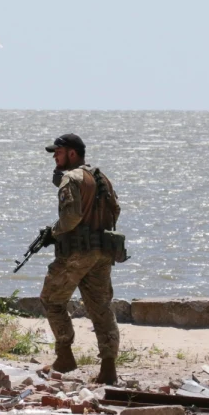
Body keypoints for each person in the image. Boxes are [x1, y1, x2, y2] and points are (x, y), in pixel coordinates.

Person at [39, 133, 126, 385]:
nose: (55, 156)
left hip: (76, 253)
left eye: (58, 152)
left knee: (52, 300)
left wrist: (53, 233)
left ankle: (64, 355)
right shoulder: (101, 177)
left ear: (72, 154)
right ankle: (108, 369)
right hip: (102, 252)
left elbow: (71, 218)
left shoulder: (71, 178)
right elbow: (116, 210)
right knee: (101, 308)